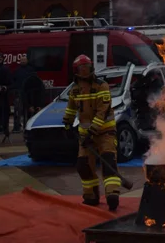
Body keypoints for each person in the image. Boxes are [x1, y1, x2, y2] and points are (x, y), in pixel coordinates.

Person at [63, 54, 120, 211]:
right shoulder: (75, 90)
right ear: (76, 71)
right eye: (81, 69)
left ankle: (112, 195)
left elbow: (102, 111)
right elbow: (70, 108)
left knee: (109, 162)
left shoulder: (102, 86)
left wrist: (92, 132)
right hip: (85, 136)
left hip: (105, 132)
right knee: (83, 165)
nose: (85, 71)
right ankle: (91, 196)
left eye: (87, 68)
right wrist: (67, 124)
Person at [12, 54, 38, 131]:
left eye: (24, 60)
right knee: (18, 111)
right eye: (22, 60)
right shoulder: (17, 71)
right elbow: (14, 81)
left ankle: (28, 126)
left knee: (28, 111)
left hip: (29, 94)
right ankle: (16, 127)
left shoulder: (31, 70)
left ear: (27, 61)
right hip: (19, 94)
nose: (23, 61)